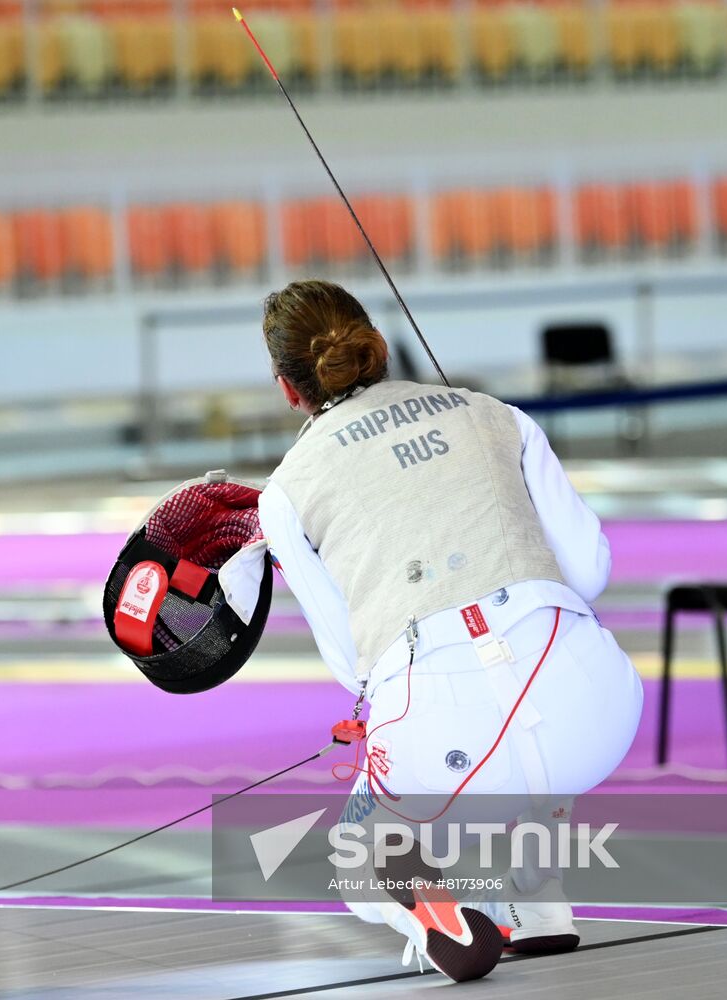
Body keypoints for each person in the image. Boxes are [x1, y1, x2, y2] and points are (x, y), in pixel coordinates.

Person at [256, 280, 643, 982]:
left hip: (444, 740)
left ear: (289, 388)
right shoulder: (498, 416)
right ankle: (536, 898)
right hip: (599, 714)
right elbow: (589, 570)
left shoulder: (285, 490)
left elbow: (355, 667)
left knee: (355, 851)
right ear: (375, 344)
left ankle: (426, 900)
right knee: (542, 671)